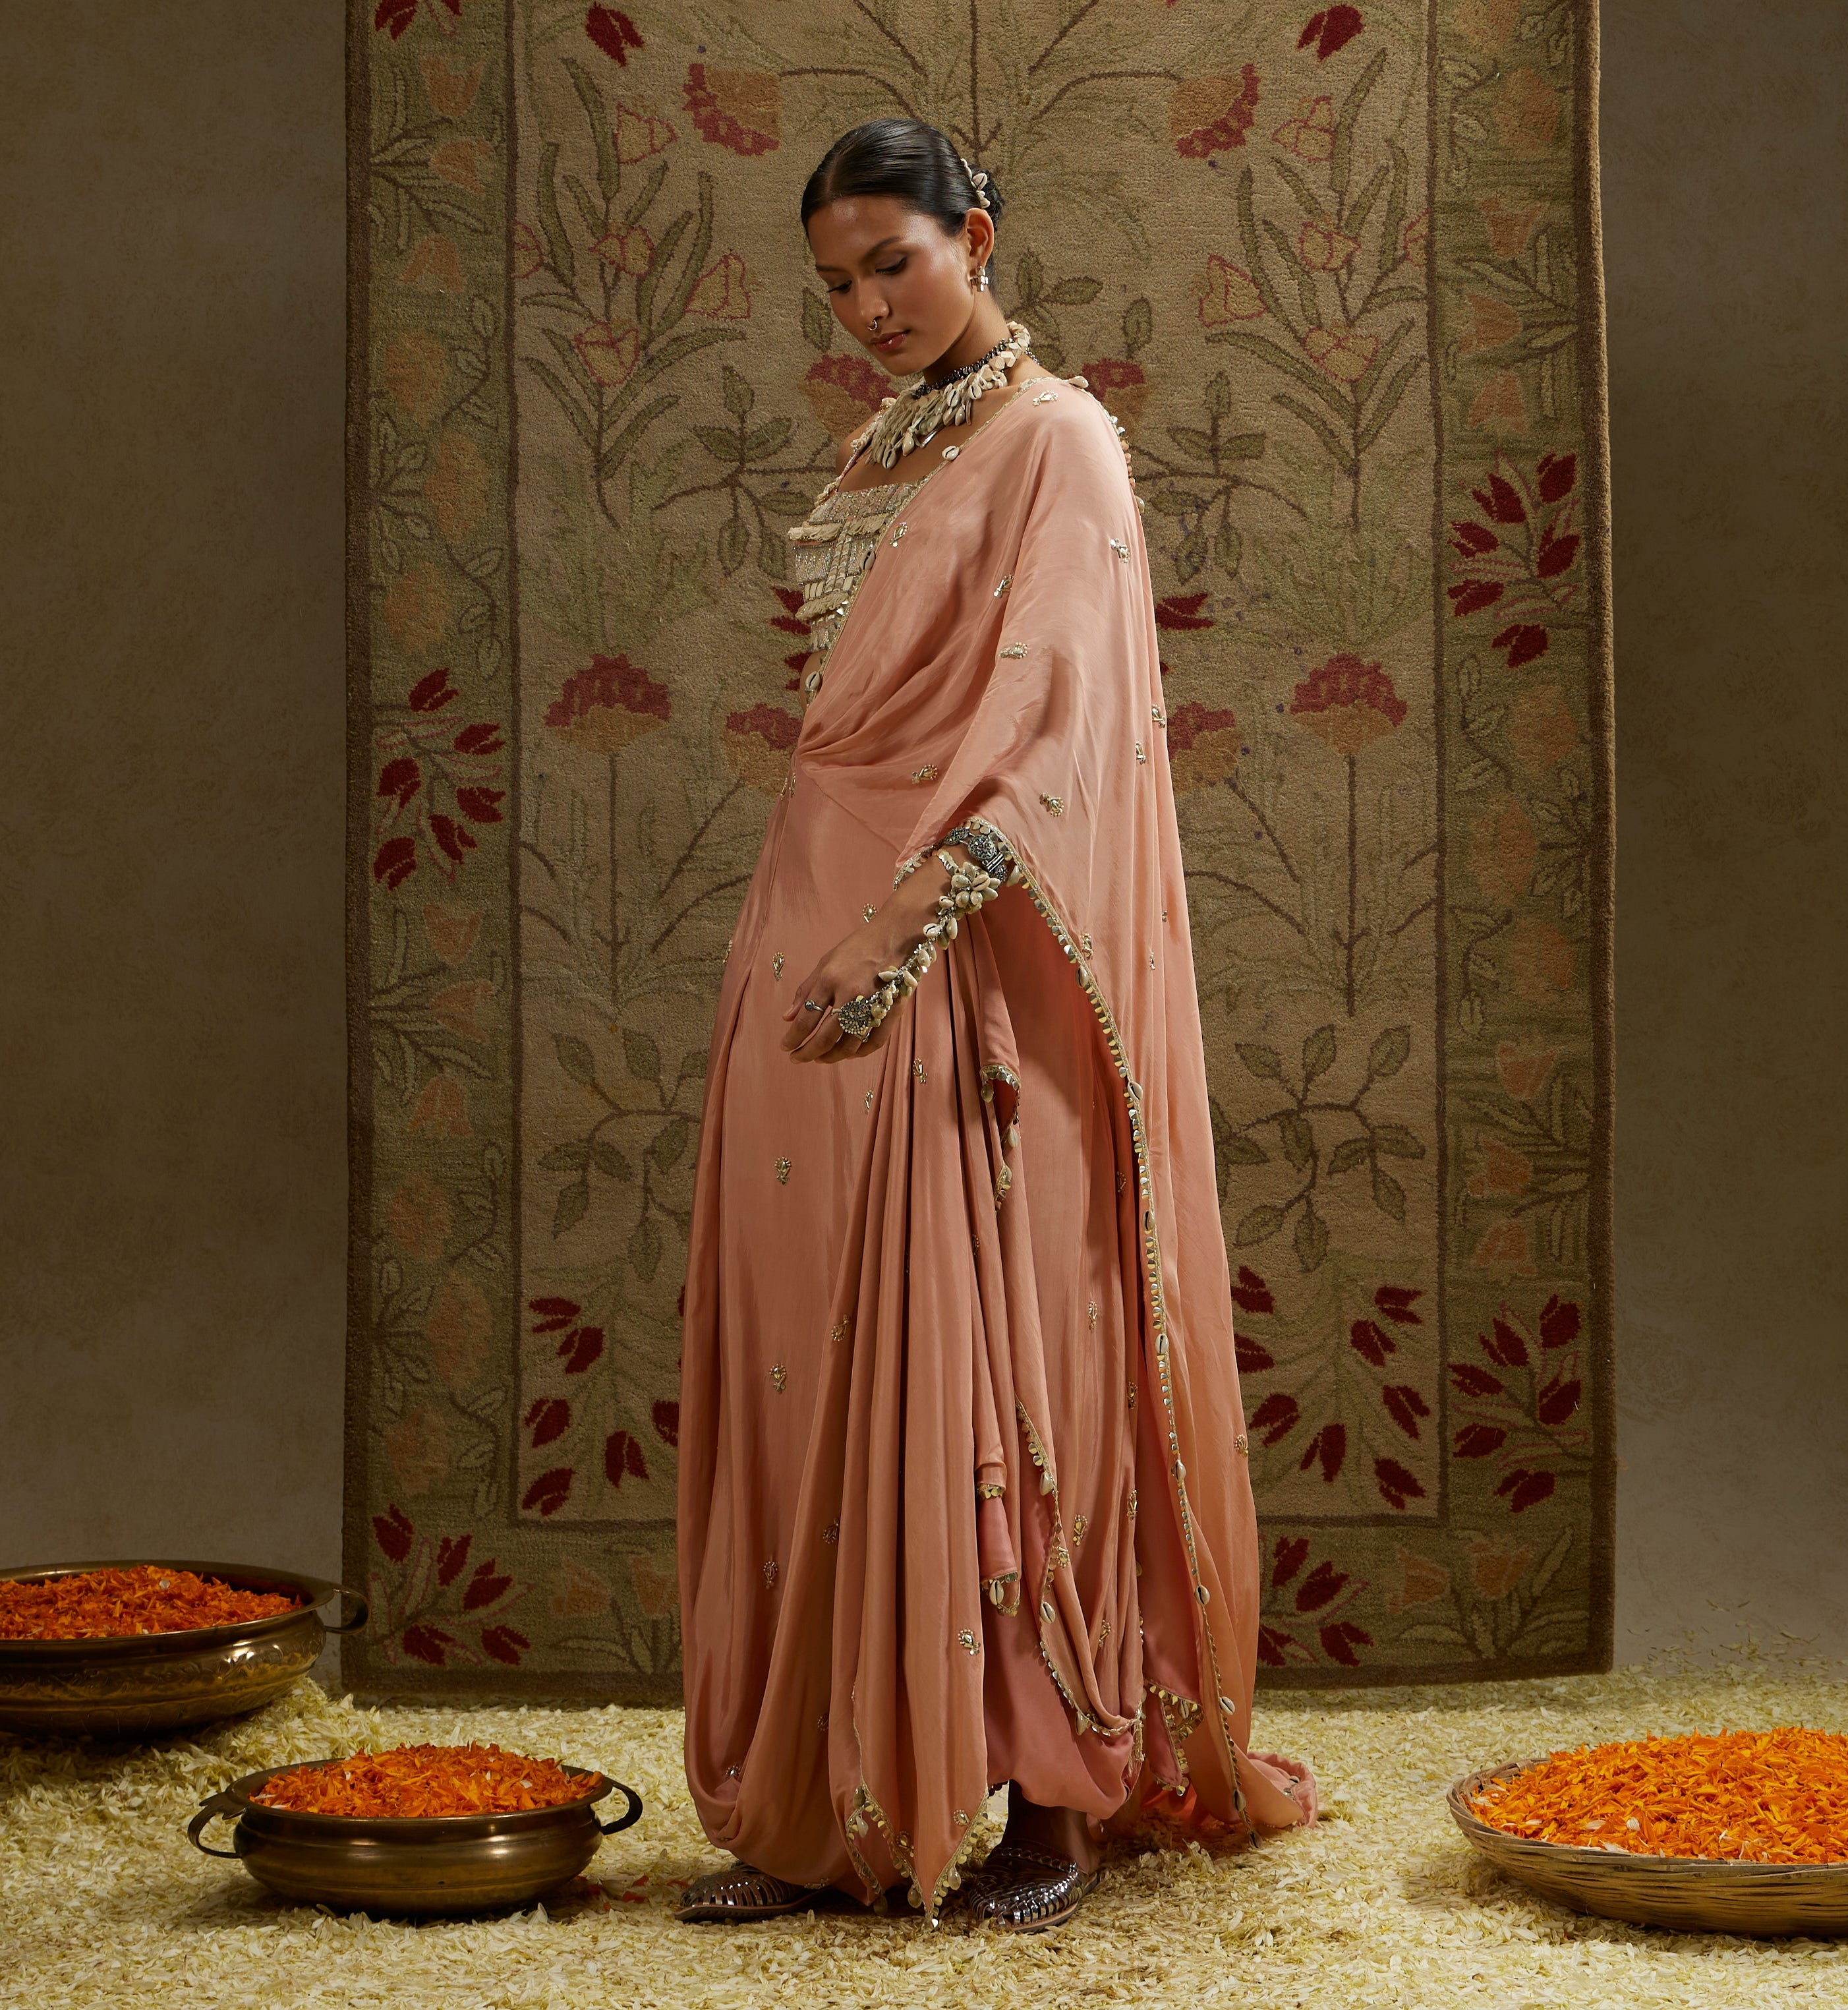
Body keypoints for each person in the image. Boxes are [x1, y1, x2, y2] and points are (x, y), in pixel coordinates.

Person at [674, 117, 1315, 1934]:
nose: (867, 307)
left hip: (965, 935)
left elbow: (1057, 709)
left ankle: (1043, 1799)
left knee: (992, 1353)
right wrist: (824, 926)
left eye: (894, 261)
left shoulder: (1059, 442)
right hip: (811, 920)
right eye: (836, 283)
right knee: (815, 1353)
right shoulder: (892, 441)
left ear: (975, 235)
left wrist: (914, 916)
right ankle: (828, 1807)